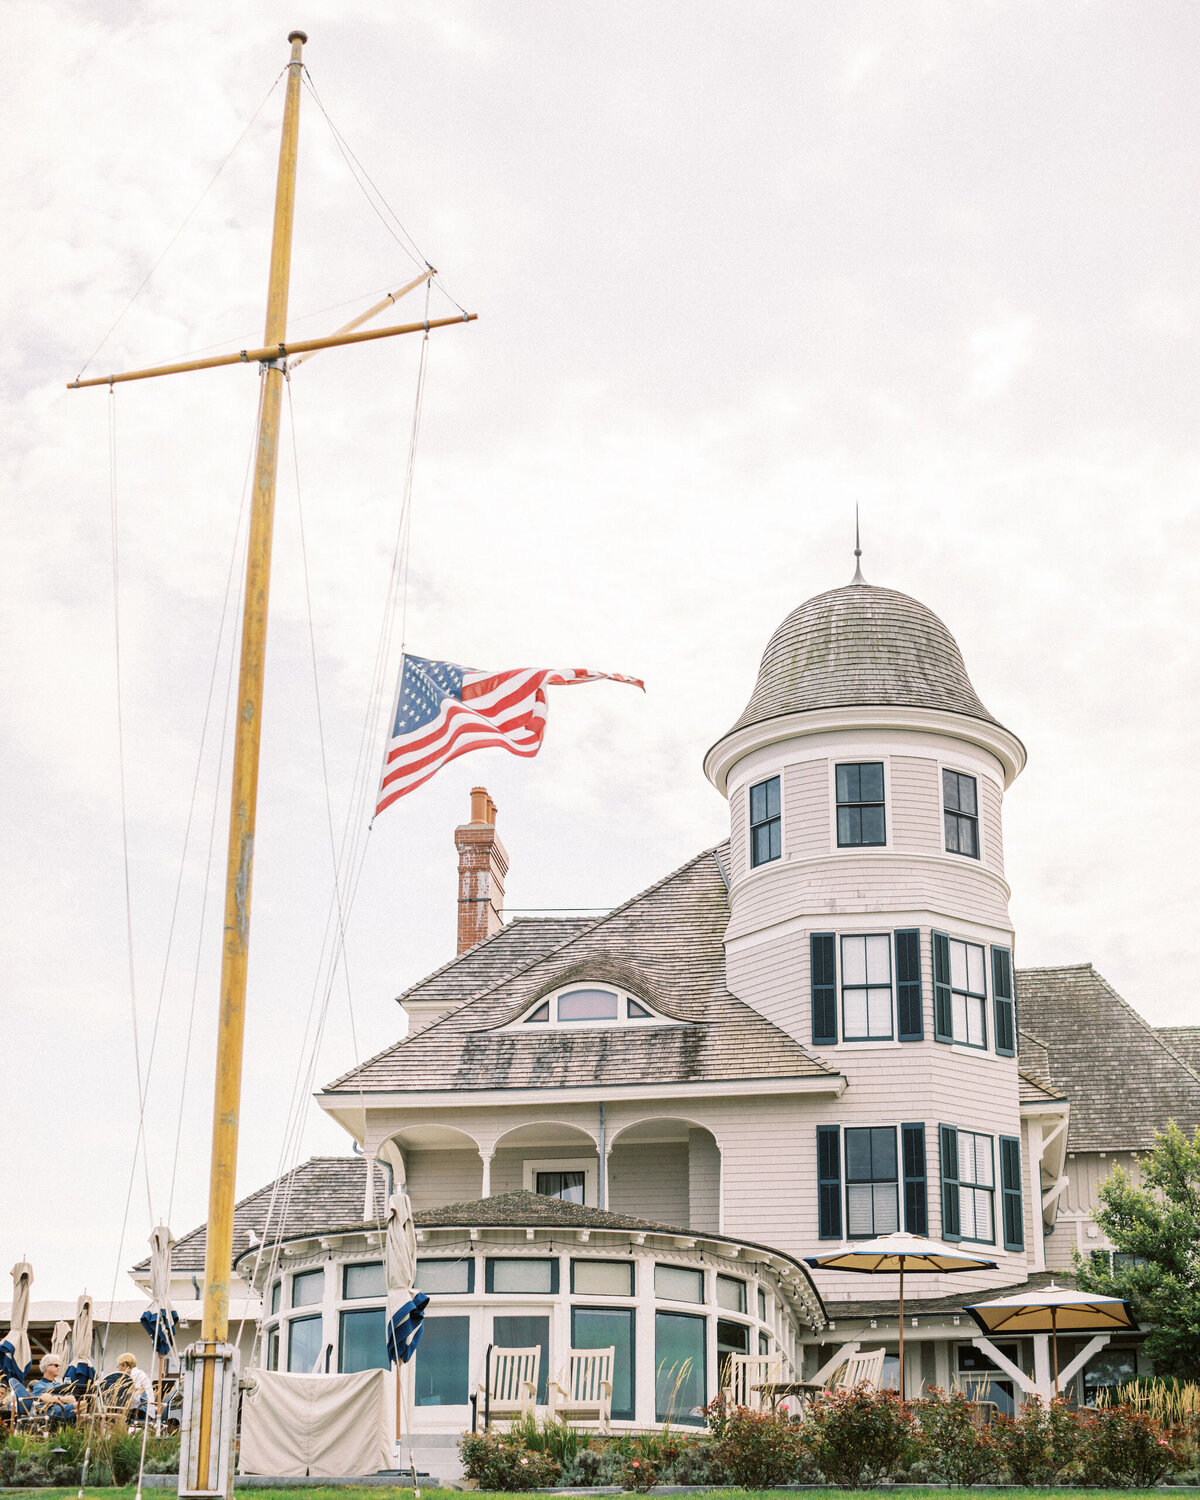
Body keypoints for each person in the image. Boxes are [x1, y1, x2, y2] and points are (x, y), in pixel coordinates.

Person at [30, 1356, 75, 1425]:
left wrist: (58, 1399)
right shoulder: (39, 1384)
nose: (59, 1368)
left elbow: (72, 1399)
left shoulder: (59, 1384)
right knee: (81, 1405)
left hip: (63, 1409)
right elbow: (46, 1398)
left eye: (59, 1366)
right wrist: (64, 1400)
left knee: (84, 1406)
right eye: (56, 1365)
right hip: (51, 1411)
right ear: (47, 1367)